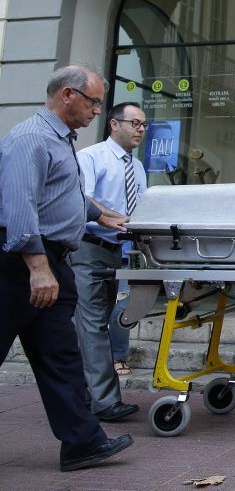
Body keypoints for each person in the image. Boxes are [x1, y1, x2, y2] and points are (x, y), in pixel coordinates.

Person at [0, 65, 134, 471]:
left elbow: (57, 193)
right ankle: (83, 440)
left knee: (62, 357)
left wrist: (97, 213)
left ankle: (82, 443)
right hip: (21, 266)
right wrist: (38, 269)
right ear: (68, 95)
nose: (98, 111)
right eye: (94, 102)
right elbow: (18, 207)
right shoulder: (31, 139)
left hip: (51, 263)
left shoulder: (60, 141)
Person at [69, 101, 148, 422]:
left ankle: (82, 394)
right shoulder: (90, 158)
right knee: (91, 326)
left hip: (118, 252)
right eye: (135, 123)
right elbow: (80, 199)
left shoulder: (138, 167)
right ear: (114, 125)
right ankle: (105, 402)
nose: (140, 130)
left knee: (95, 325)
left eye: (144, 125)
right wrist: (110, 218)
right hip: (87, 248)